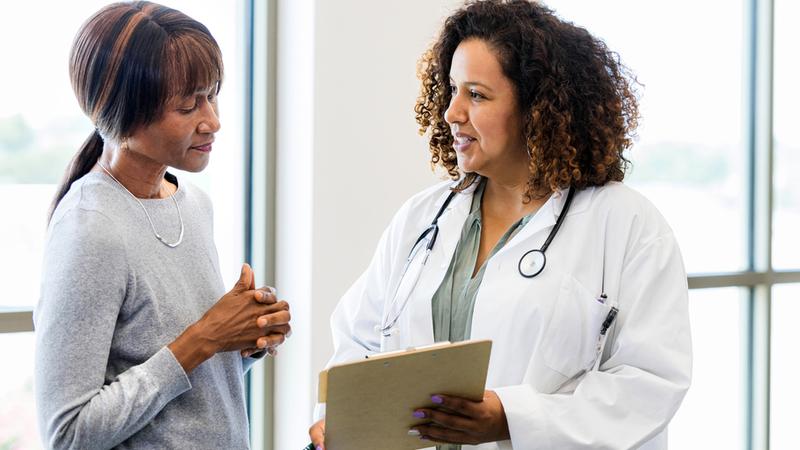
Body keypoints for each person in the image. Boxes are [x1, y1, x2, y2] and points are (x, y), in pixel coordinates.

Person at [309, 1, 691, 449]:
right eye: (452, 89)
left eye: (477, 94)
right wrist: (340, 417)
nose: (453, 112)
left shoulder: (627, 225)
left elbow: (649, 383)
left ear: (537, 108)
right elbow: (361, 336)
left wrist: (510, 419)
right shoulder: (424, 217)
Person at [34, 2, 291, 449]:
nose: (212, 120)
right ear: (123, 112)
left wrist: (243, 341)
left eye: (212, 95)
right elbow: (68, 434)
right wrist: (203, 338)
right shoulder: (90, 228)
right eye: (188, 105)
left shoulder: (193, 205)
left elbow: (187, 395)